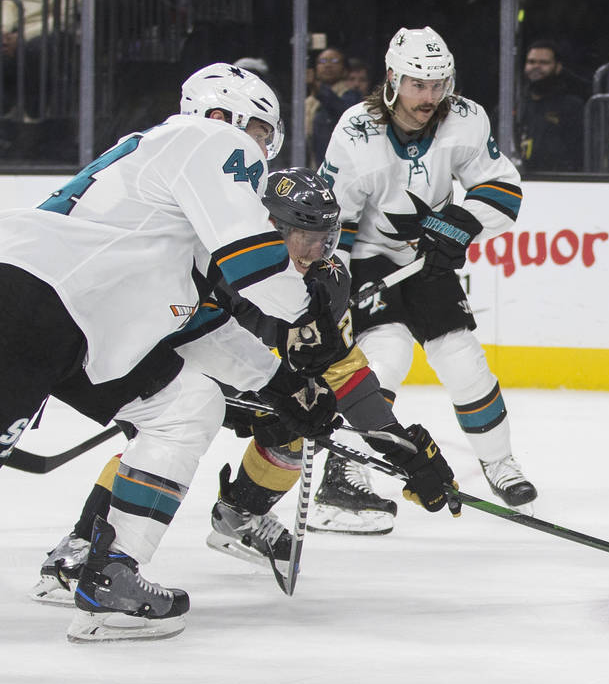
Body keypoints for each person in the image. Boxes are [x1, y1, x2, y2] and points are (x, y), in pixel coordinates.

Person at [0, 63, 355, 641]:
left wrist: (280, 385)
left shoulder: (168, 202)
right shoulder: (207, 139)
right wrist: (311, 304)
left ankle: (110, 576)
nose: (259, 158)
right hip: (31, 299)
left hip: (83, 321)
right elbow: (257, 271)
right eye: (262, 135)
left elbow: (197, 321)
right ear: (227, 118)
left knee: (185, 404)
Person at [29, 167, 460, 606]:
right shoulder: (211, 257)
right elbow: (170, 331)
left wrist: (398, 445)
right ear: (267, 227)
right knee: (167, 421)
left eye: (324, 238)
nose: (314, 251)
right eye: (302, 236)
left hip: (255, 374)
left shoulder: (326, 280)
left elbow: (342, 368)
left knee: (307, 414)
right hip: (164, 356)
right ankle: (82, 547)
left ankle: (241, 514)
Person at [317, 25, 534, 535]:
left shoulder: (465, 119)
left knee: (463, 358)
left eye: (439, 84)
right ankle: (345, 474)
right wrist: (333, 291)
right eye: (419, 84)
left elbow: (502, 188)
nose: (430, 97)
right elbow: (330, 224)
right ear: (392, 79)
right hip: (367, 260)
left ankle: (499, 463)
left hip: (426, 259)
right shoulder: (355, 133)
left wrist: (459, 223)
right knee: (385, 355)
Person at [517, 39, 585, 172]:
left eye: (544, 63)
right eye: (531, 62)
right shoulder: (514, 107)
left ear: (558, 67)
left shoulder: (572, 107)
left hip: (557, 183)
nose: (536, 67)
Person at [305, 48, 368, 167]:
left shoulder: (353, 97)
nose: (328, 65)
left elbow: (340, 110)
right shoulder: (308, 103)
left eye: (334, 61)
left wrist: (318, 88)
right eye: (322, 61)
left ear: (345, 70)